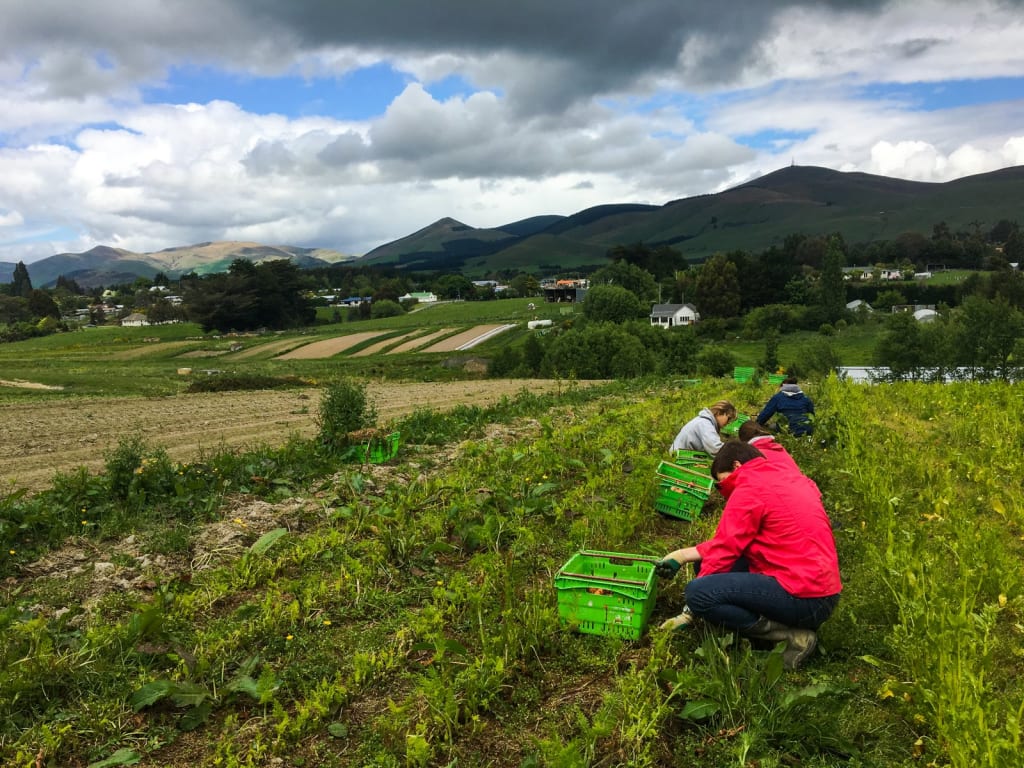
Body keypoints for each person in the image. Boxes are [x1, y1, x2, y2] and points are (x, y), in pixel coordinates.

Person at [654, 441, 841, 669]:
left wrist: (690, 611)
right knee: (703, 566)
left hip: (803, 595)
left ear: (737, 465)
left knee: (699, 593)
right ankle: (780, 625)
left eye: (723, 483)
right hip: (822, 590)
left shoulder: (750, 488)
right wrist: (683, 555)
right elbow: (729, 544)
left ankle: (790, 637)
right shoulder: (786, 477)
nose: (724, 491)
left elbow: (725, 549)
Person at [670, 400, 737, 456]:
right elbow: (715, 448)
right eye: (728, 418)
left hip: (680, 454)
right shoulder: (705, 424)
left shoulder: (703, 421)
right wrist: (734, 450)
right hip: (680, 457)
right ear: (719, 413)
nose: (728, 422)